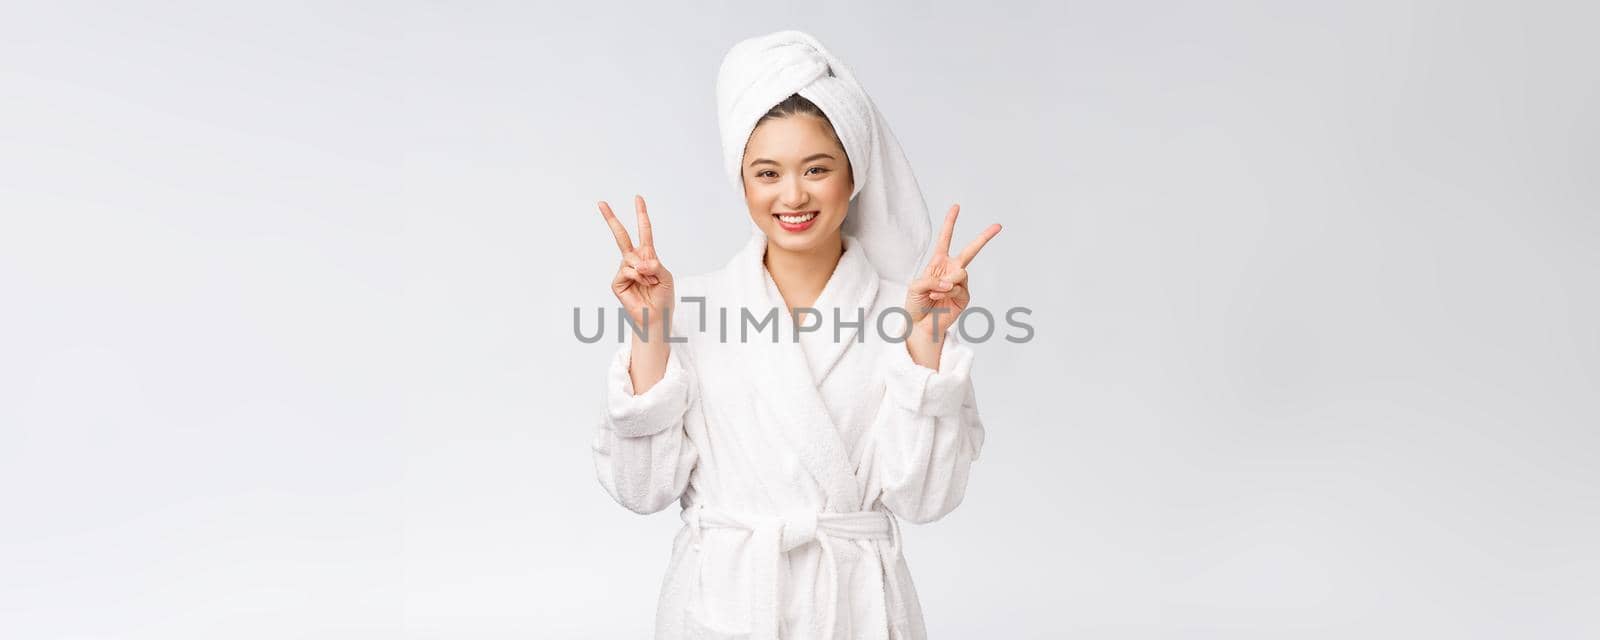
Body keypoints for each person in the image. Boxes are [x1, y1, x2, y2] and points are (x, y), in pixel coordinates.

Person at [591, 30, 1000, 640]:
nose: (792, 195)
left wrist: (926, 345)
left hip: (856, 612)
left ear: (853, 175)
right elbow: (641, 490)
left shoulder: (906, 314)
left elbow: (926, 501)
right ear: (744, 182)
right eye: (767, 172)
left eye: (816, 169)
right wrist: (651, 330)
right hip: (721, 611)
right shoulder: (688, 307)